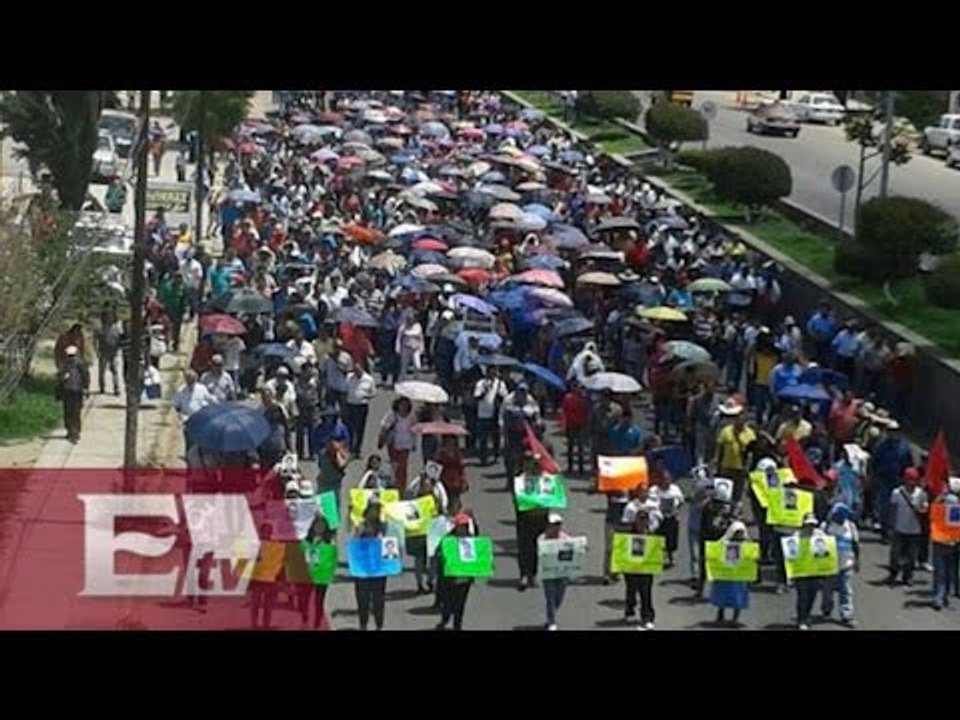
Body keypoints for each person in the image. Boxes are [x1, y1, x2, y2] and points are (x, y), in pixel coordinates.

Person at [620, 500, 663, 630]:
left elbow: (657, 550)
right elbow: (621, 549)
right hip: (631, 568)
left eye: (644, 520)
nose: (642, 522)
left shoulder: (651, 535)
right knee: (631, 590)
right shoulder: (628, 534)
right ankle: (630, 610)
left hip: (646, 568)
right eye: (640, 519)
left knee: (646, 593)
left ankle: (647, 617)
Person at [435, 511, 478, 631]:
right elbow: (439, 553)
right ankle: (445, 619)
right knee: (448, 602)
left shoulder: (471, 540)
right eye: (460, 526)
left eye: (464, 526)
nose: (462, 528)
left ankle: (457, 625)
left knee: (460, 604)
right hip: (450, 577)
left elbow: (479, 555)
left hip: (464, 578)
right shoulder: (448, 539)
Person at [887, 466, 929, 586]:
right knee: (896, 554)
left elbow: (925, 509)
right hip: (899, 528)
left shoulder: (921, 494)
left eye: (914, 480)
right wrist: (891, 526)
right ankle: (893, 573)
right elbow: (893, 510)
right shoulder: (897, 493)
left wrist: (920, 510)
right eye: (909, 480)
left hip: (915, 530)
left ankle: (908, 575)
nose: (912, 483)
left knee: (911, 556)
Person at [821, 502, 859, 627]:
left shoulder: (851, 527)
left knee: (846, 590)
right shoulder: (825, 527)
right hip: (829, 565)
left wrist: (857, 561)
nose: (841, 519)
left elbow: (855, 545)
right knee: (827, 590)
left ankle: (846, 615)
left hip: (846, 563)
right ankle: (826, 610)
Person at [353, 497, 388, 631]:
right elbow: (354, 545)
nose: (375, 511)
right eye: (373, 508)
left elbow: (390, 546)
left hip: (378, 569)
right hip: (363, 569)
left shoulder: (384, 527)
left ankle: (379, 625)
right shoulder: (360, 526)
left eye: (377, 508)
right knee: (363, 599)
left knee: (378, 599)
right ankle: (363, 625)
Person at [792, 513, 830, 630]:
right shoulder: (797, 535)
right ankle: (801, 619)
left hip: (815, 571)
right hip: (801, 571)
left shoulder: (820, 535)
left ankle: (807, 615)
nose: (810, 527)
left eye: (812, 524)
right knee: (803, 595)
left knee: (812, 595)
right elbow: (791, 554)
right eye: (808, 524)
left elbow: (826, 552)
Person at [713, 399, 756, 504]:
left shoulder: (750, 434)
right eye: (738, 420)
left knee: (738, 491)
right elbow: (720, 447)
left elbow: (752, 452)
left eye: (742, 421)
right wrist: (716, 461)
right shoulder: (726, 431)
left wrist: (749, 468)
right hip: (727, 466)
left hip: (741, 468)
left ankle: (736, 508)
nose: (740, 422)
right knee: (724, 491)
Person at [710, 521, 751, 627]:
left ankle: (735, 618)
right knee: (722, 596)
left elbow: (752, 560)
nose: (739, 536)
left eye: (741, 534)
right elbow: (714, 555)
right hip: (725, 576)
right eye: (737, 533)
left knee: (738, 598)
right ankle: (720, 615)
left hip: (739, 578)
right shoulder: (723, 543)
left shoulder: (747, 545)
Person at [930, 477, 960, 610]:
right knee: (949, 571)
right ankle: (944, 596)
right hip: (953, 542)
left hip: (939, 541)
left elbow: (932, 516)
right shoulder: (957, 505)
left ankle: (938, 598)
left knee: (940, 572)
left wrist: (940, 497)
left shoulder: (941, 503)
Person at [648, 462, 684, 568]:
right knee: (658, 537)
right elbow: (650, 502)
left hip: (671, 517)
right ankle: (657, 557)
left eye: (668, 479)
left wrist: (676, 508)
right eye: (664, 479)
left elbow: (681, 501)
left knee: (671, 539)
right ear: (659, 480)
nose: (666, 481)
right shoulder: (654, 490)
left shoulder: (675, 489)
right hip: (658, 518)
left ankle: (670, 556)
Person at [378, 396, 417, 493]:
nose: (403, 407)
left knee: (402, 467)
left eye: (405, 405)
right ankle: (392, 484)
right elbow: (384, 426)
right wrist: (382, 438)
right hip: (393, 444)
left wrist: (414, 443)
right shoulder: (392, 414)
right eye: (401, 405)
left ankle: (401, 487)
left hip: (406, 445)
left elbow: (414, 431)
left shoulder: (411, 417)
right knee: (394, 465)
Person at [172, 369, 216, 453]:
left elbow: (210, 399)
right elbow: (176, 405)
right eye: (189, 380)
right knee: (190, 443)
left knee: (201, 442)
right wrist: (180, 416)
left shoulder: (202, 388)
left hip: (201, 419)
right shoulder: (181, 391)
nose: (191, 382)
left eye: (192, 380)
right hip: (188, 419)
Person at [539, 512, 570, 630]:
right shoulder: (542, 538)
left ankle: (550, 615)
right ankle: (551, 621)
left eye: (558, 524)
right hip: (549, 573)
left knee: (559, 597)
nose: (556, 527)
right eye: (553, 524)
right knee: (550, 597)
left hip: (562, 573)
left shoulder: (565, 538)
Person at [474, 366, 507, 467]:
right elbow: (476, 397)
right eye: (490, 372)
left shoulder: (500, 383)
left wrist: (499, 394)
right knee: (483, 438)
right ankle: (483, 458)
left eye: (494, 372)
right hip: (483, 414)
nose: (492, 374)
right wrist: (485, 390)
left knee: (495, 436)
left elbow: (505, 397)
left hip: (495, 414)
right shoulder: (481, 383)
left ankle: (496, 454)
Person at [343, 360, 376, 456]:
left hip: (361, 406)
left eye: (358, 370)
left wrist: (366, 396)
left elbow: (373, 393)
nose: (356, 372)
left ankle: (357, 449)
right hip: (350, 405)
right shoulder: (349, 377)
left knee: (359, 428)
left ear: (362, 369)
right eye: (354, 370)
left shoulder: (369, 379)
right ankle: (349, 447)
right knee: (349, 427)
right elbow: (345, 390)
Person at [57, 345, 90, 443]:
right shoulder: (64, 365)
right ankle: (70, 430)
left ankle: (74, 431)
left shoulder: (79, 364)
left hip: (76, 390)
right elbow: (59, 378)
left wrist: (85, 388)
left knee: (75, 411)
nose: (71, 358)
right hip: (68, 390)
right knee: (69, 411)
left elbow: (85, 376)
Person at [560, 381, 590, 477]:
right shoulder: (567, 398)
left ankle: (581, 468)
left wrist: (586, 425)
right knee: (571, 447)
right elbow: (564, 412)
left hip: (581, 425)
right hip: (571, 425)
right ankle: (570, 467)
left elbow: (586, 413)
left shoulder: (583, 399)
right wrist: (563, 425)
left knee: (580, 447)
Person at [93, 304, 122, 396]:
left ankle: (116, 388)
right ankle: (102, 387)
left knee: (115, 371)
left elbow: (120, 339)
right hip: (103, 352)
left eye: (110, 316)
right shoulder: (100, 328)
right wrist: (96, 351)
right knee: (102, 372)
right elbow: (95, 340)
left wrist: (119, 349)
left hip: (114, 352)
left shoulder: (116, 328)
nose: (109, 318)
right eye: (107, 316)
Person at [435, 435, 467, 509]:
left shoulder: (457, 454)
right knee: (444, 501)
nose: (450, 444)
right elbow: (436, 467)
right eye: (448, 442)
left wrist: (464, 481)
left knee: (455, 502)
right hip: (444, 481)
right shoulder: (440, 454)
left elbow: (461, 468)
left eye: (452, 442)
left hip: (456, 482)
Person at [396, 311, 424, 378]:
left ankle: (416, 377)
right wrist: (397, 348)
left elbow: (421, 338)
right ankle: (403, 378)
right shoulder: (403, 327)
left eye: (412, 318)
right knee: (404, 366)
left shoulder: (418, 326)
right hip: (406, 348)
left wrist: (422, 348)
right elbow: (398, 338)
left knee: (418, 366)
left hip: (415, 349)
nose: (410, 320)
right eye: (409, 318)